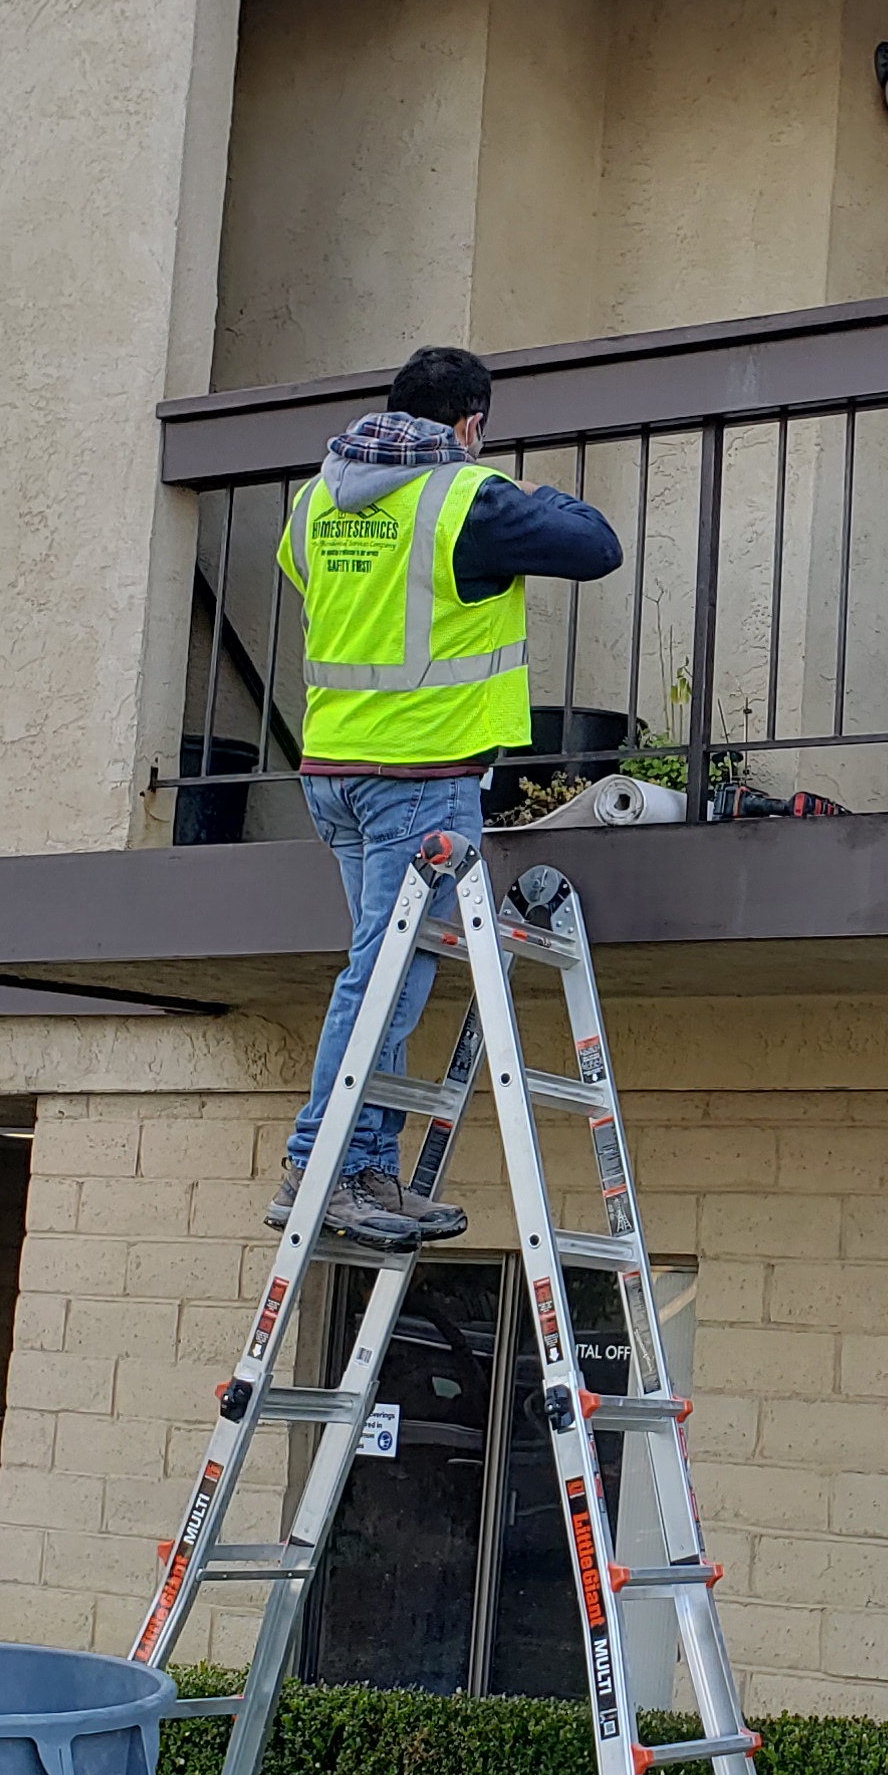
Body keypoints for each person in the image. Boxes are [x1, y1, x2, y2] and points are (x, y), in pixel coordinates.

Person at [271, 343, 622, 1246]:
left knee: (389, 966)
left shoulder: (315, 500)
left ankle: (366, 1165)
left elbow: (320, 587)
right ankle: (326, 1164)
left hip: (335, 774)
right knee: (382, 975)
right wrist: (528, 493)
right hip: (418, 781)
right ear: (469, 423)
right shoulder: (463, 497)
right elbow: (595, 546)